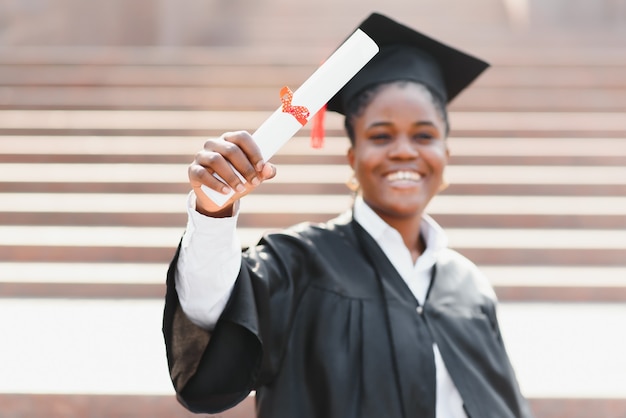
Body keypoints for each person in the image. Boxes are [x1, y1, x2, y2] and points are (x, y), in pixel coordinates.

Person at [162, 12, 534, 418]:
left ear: (446, 155)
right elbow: (211, 311)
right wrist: (214, 213)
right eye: (381, 135)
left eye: (424, 135)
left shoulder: (469, 287)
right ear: (353, 157)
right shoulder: (299, 263)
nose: (404, 150)